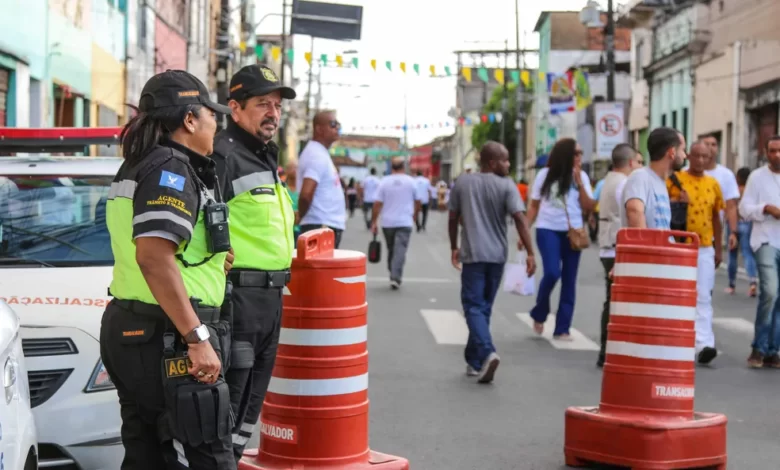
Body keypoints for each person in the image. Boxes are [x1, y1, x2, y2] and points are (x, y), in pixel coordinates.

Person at [100, 70, 236, 469]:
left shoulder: (140, 164)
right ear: (190, 120)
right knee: (209, 457)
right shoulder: (170, 170)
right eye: (213, 115)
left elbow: (162, 249)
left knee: (147, 456)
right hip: (169, 336)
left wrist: (212, 261)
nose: (216, 125)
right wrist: (195, 336)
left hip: (136, 329)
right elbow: (154, 257)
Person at [209, 64, 297, 461]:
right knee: (224, 415)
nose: (273, 113)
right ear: (235, 108)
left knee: (248, 415)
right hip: (237, 302)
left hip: (271, 302)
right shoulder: (223, 155)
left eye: (277, 106)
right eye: (263, 104)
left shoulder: (262, 158)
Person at [448, 141, 535, 384]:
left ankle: (486, 352)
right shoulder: (507, 186)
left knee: (474, 307)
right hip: (497, 257)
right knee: (483, 307)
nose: (509, 164)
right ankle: (474, 361)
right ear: (491, 162)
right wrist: (530, 252)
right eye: (505, 160)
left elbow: (453, 217)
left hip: (474, 255)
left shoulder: (463, 182)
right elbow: (520, 219)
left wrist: (453, 245)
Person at [525, 138, 596, 339]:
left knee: (569, 280)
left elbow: (588, 205)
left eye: (581, 153)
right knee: (552, 272)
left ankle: (562, 327)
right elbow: (534, 206)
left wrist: (580, 183)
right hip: (547, 229)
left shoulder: (580, 176)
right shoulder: (544, 176)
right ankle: (540, 311)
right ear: (566, 155)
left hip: (573, 233)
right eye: (577, 153)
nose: (580, 157)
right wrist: (525, 231)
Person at [666, 141, 724, 365]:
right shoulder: (675, 181)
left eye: (705, 157)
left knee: (703, 296)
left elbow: (716, 219)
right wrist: (677, 202)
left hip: (704, 248)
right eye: (697, 156)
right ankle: (678, 341)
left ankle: (704, 343)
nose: (701, 161)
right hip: (679, 246)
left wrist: (718, 248)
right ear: (689, 156)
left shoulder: (713, 184)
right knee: (679, 296)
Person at [596, 144, 643, 367]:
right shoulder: (624, 183)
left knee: (611, 299)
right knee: (618, 301)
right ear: (631, 162)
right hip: (617, 245)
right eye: (639, 162)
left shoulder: (608, 180)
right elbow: (630, 213)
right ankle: (610, 350)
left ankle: (606, 350)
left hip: (607, 243)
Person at [738, 135, 780, 369]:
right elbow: (744, 209)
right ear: (766, 152)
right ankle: (758, 347)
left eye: (779, 151)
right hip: (765, 241)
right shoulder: (757, 177)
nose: (776, 155)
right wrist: (766, 208)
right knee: (771, 292)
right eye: (772, 151)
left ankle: (773, 351)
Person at [298, 111, 347, 247]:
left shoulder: (320, 152)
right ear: (319, 129)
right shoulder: (316, 154)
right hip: (320, 227)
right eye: (333, 124)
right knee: (320, 269)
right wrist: (301, 216)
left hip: (323, 225)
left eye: (338, 124)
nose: (337, 127)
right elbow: (306, 194)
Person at [371, 157, 421, 289]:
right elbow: (418, 201)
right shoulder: (411, 182)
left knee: (392, 249)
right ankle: (395, 274)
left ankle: (394, 275)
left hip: (387, 222)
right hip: (405, 221)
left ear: (391, 167)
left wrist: (374, 221)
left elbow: (377, 203)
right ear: (404, 167)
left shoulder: (384, 182)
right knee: (399, 251)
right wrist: (415, 215)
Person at [622, 127, 686, 229]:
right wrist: (646, 244)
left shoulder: (660, 182)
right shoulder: (640, 177)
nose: (685, 155)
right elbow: (634, 211)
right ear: (672, 152)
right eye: (683, 150)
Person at [702, 134, 740, 258]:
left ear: (718, 149)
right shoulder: (685, 173)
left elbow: (731, 206)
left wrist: (733, 232)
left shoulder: (726, 175)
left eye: (713, 144)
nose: (710, 148)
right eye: (706, 144)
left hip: (713, 235)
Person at [726, 166, 758, 297]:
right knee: (748, 253)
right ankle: (752, 282)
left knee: (732, 254)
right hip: (748, 223)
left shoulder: (735, 191)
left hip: (734, 224)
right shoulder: (752, 191)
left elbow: (729, 208)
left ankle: (732, 284)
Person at [285, 160, 301, 244]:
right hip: (287, 228)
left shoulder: (301, 188)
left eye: (295, 168)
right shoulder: (283, 188)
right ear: (286, 171)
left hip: (299, 228)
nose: (293, 170)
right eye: (290, 168)